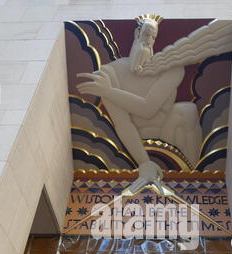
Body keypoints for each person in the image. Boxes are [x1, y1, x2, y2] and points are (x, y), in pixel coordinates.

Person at [77, 18, 202, 194]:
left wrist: (108, 91)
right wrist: (143, 162)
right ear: (136, 34)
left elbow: (148, 108)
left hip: (170, 135)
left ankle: (192, 183)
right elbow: (123, 123)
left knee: (186, 111)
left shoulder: (171, 69)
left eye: (152, 36)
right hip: (133, 143)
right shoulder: (111, 72)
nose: (148, 40)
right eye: (146, 34)